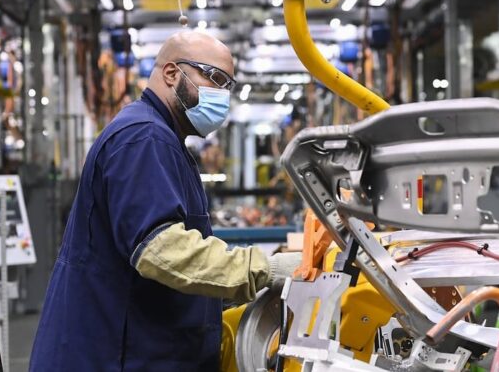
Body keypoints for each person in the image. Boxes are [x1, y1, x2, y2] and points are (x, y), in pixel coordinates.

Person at [29, 31, 301, 371]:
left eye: (228, 86)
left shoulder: (165, 139)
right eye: (215, 79)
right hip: (113, 356)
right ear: (172, 73)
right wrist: (265, 270)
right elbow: (161, 250)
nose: (222, 96)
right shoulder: (144, 137)